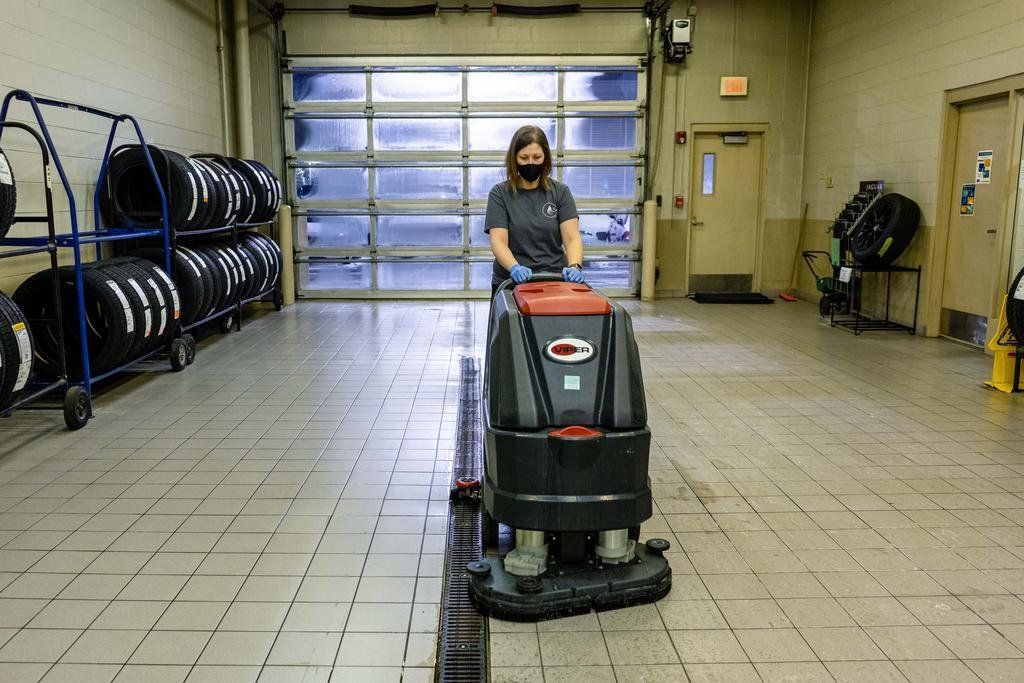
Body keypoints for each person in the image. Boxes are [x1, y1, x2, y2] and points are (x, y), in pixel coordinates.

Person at [485, 125, 584, 296]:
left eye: (537, 157)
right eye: (524, 157)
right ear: (514, 158)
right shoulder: (500, 194)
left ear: (545, 158)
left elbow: (572, 237)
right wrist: (514, 267)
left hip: (554, 280)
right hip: (510, 282)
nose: (530, 163)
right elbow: (498, 241)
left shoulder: (560, 192)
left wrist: (574, 266)